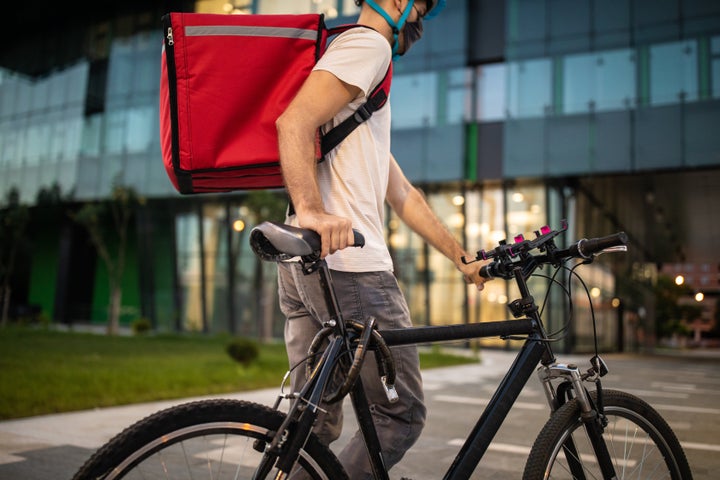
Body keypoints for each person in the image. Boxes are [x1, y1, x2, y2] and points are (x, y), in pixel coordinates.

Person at [275, 0, 488, 477]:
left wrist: (461, 257)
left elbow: (403, 194)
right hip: (351, 268)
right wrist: (312, 211)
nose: (412, 8)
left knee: (314, 424)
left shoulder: (361, 79)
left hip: (308, 269)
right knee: (400, 416)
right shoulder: (367, 46)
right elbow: (292, 124)